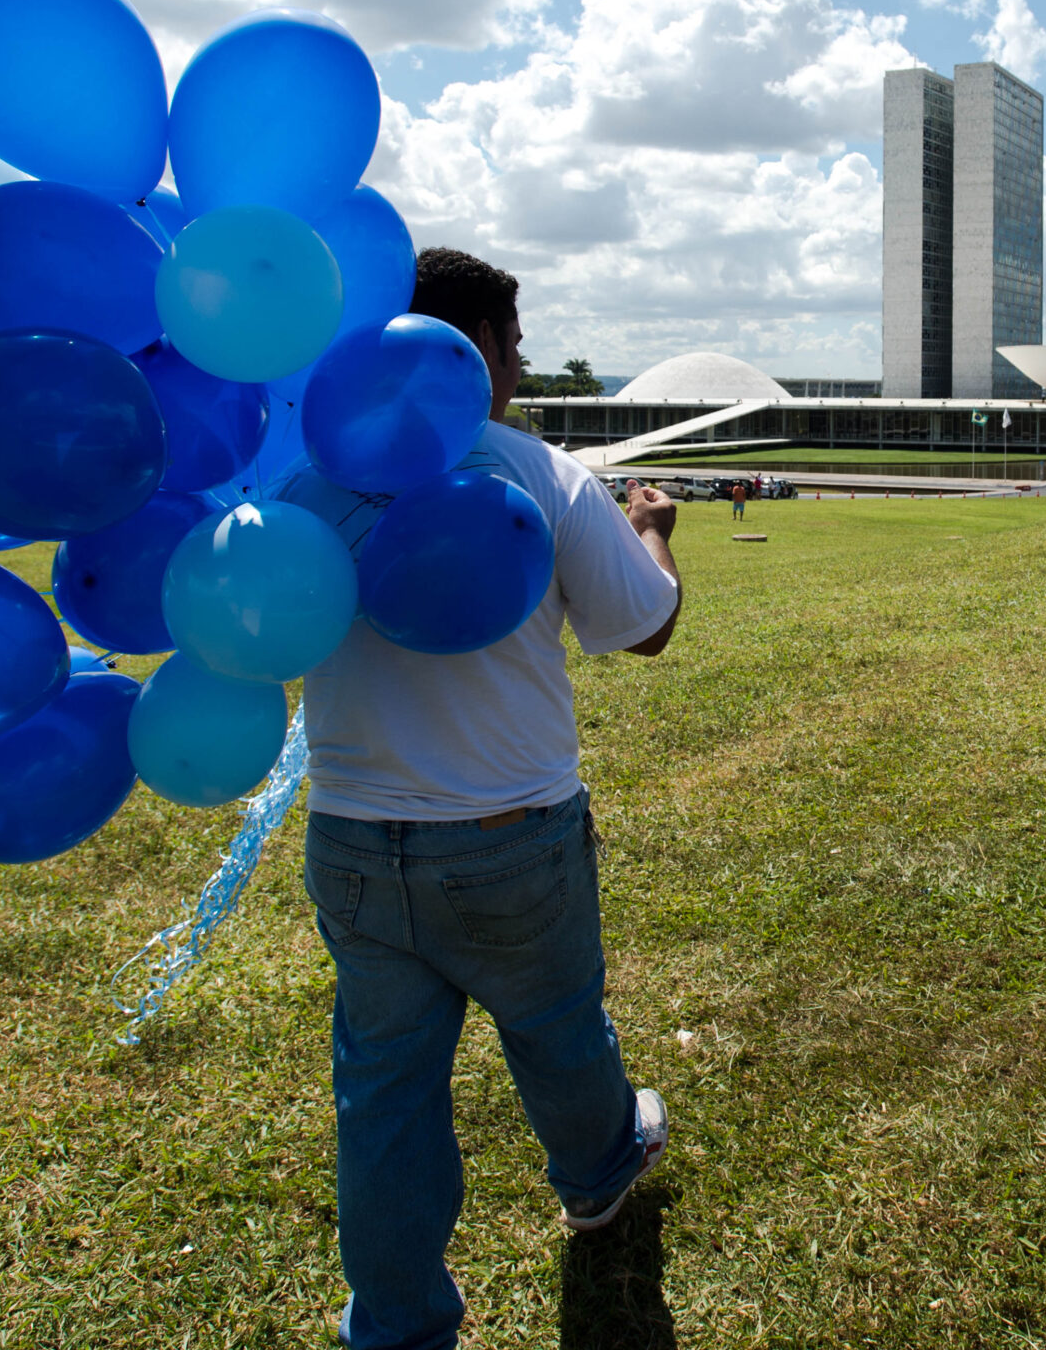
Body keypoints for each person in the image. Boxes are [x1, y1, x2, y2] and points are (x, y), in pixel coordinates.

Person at [299, 248, 687, 1347]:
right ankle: (598, 1173)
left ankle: (395, 1321)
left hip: (354, 841)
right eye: (512, 346)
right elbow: (644, 626)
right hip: (511, 833)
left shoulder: (310, 479)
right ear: (473, 353)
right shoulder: (540, 471)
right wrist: (654, 528)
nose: (518, 366)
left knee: (382, 1098)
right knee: (558, 1031)